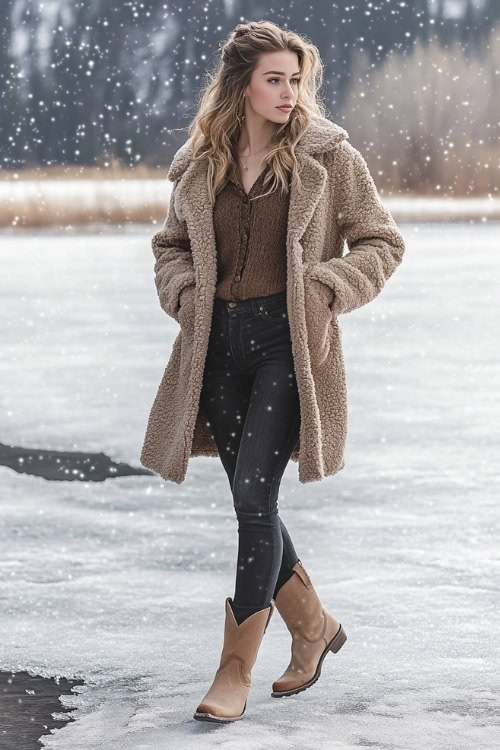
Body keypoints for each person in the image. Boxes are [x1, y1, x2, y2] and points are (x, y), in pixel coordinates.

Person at [140, 20, 406, 723]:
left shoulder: (328, 157)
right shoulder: (201, 164)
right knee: (249, 500)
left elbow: (381, 240)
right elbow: (169, 247)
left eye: (296, 79)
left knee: (254, 504)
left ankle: (235, 670)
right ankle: (314, 627)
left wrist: (325, 287)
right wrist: (186, 293)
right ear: (242, 86)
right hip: (216, 349)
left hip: (288, 346)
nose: (290, 93)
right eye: (275, 79)